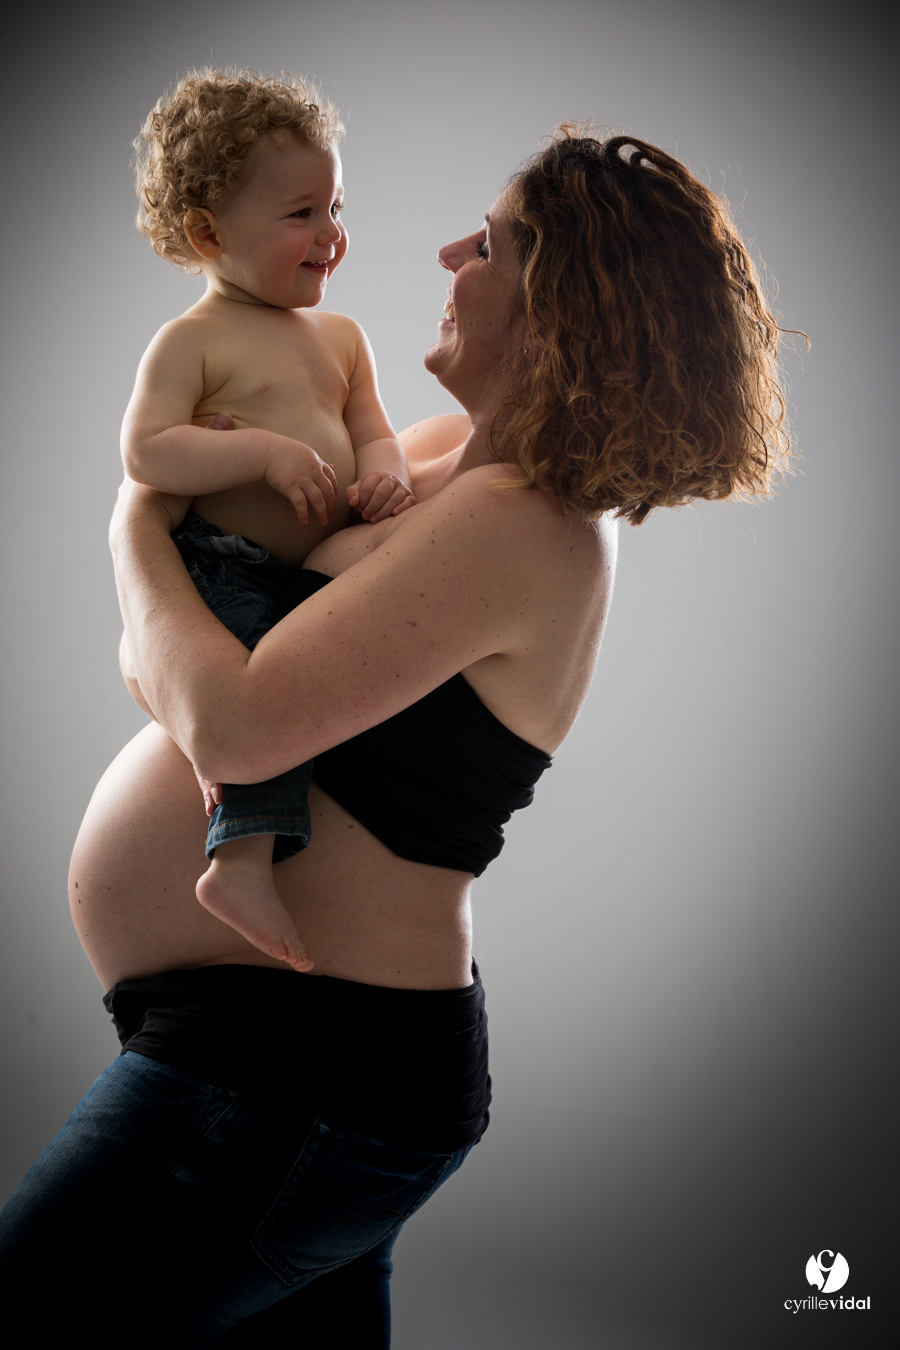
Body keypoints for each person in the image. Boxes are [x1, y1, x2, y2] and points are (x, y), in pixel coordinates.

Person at [0, 126, 790, 1344]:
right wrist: (186, 646)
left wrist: (132, 531)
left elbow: (231, 719)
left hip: (300, 1070)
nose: (447, 254)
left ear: (558, 310)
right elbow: (174, 663)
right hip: (276, 1061)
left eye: (491, 245)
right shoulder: (424, 464)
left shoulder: (526, 524)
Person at [123, 69, 415, 973]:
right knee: (267, 700)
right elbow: (147, 453)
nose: (331, 234)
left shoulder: (343, 339)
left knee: (313, 696)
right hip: (225, 566)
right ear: (209, 234)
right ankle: (240, 866)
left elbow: (375, 432)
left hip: (305, 579)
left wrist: (387, 475)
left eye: (337, 207)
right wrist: (260, 454)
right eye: (301, 214)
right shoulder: (192, 341)